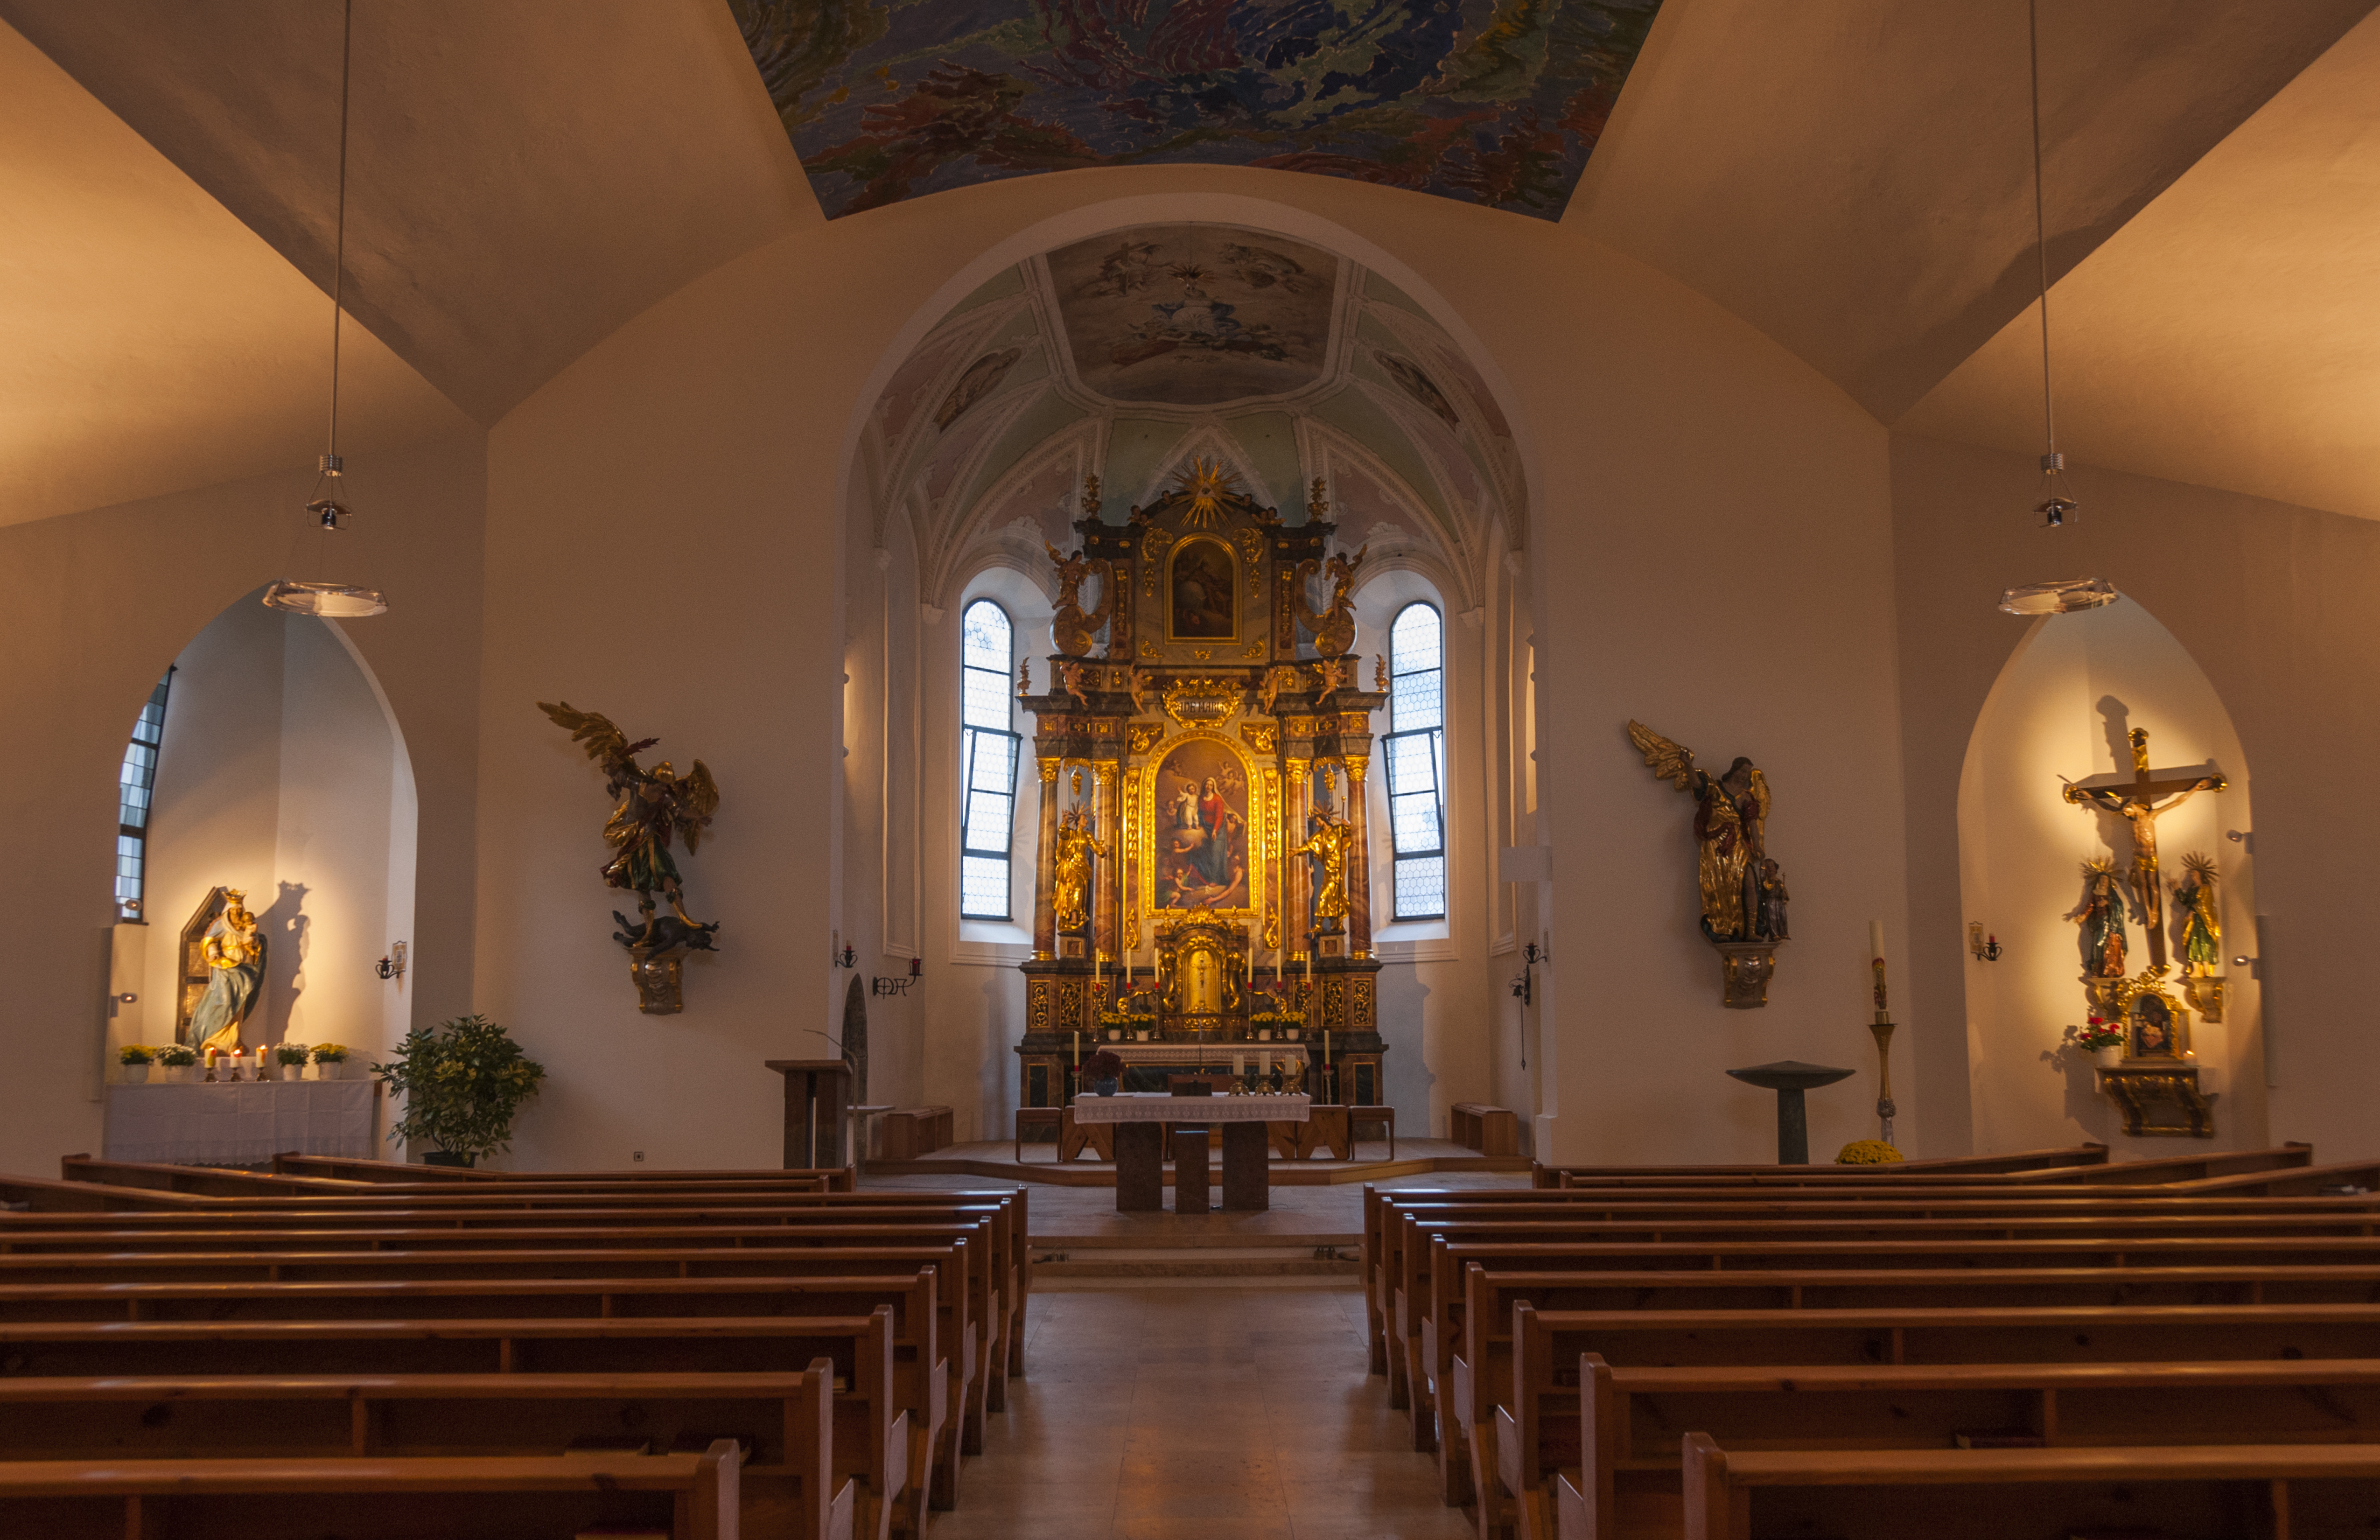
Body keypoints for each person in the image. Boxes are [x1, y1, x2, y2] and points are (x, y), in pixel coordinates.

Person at [189, 891, 266, 1055]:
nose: (237, 914)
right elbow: (210, 941)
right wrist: (213, 952)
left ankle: (232, 1040)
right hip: (226, 967)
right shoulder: (221, 925)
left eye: (239, 911)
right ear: (228, 911)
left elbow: (255, 946)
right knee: (224, 1002)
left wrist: (255, 944)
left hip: (245, 969)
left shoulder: (246, 927)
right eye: (234, 911)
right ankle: (213, 1039)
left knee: (239, 1006)